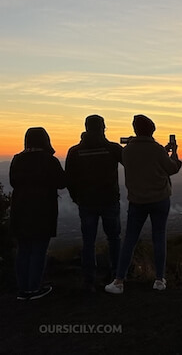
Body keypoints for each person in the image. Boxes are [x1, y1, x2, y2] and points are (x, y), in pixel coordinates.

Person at [105, 115, 181, 294]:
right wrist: (174, 154)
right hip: (160, 199)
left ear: (134, 129)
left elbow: (141, 159)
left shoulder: (127, 150)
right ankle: (159, 280)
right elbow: (172, 168)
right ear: (152, 130)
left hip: (137, 201)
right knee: (159, 237)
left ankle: (118, 281)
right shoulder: (157, 150)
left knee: (129, 239)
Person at [65, 115, 123, 292]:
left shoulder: (75, 151)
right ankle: (117, 277)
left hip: (86, 202)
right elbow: (131, 162)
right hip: (109, 200)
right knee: (114, 239)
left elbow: (69, 178)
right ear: (103, 127)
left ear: (86, 127)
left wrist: (76, 197)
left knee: (88, 242)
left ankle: (89, 281)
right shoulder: (112, 148)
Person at [9, 127, 66, 300]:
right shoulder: (49, 160)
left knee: (24, 249)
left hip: (20, 209)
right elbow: (61, 182)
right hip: (43, 210)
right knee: (39, 250)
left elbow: (13, 182)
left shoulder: (17, 159)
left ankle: (23, 289)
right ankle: (34, 288)